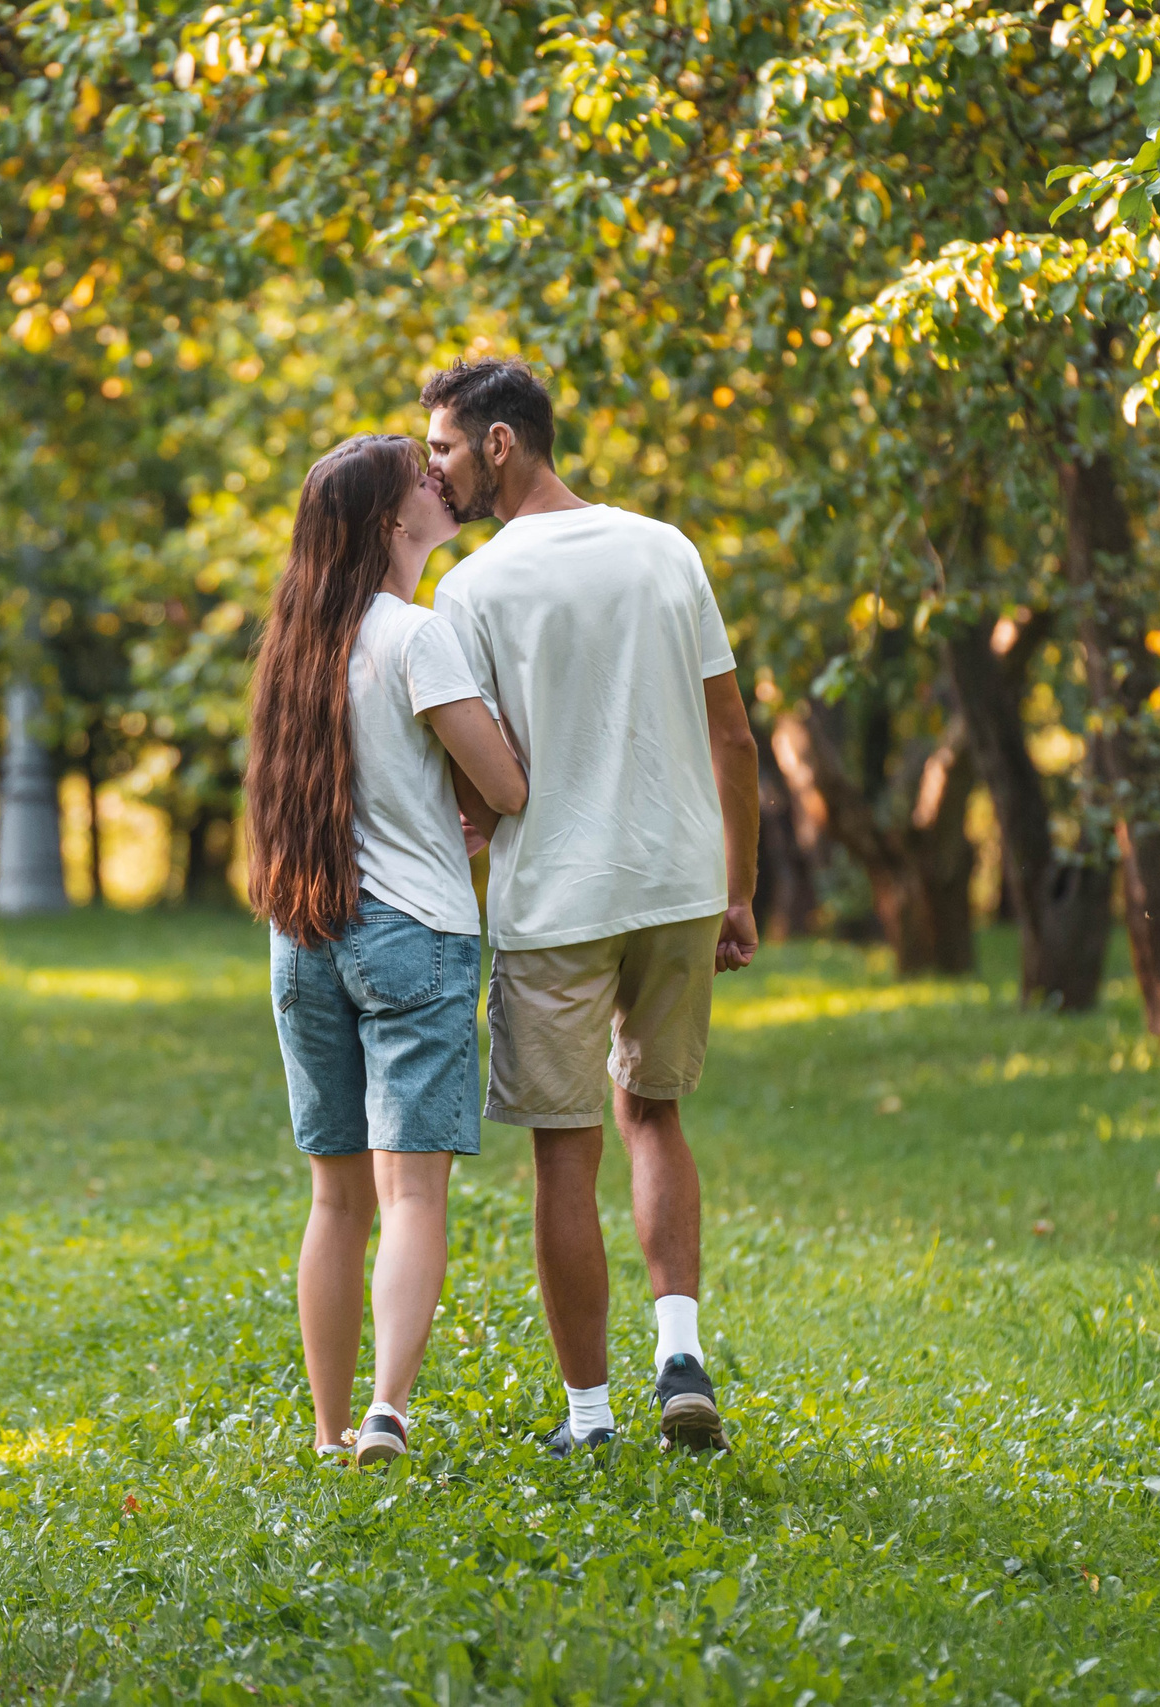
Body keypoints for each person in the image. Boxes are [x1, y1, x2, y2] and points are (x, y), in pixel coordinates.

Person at [423, 357, 762, 1456]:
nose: (436, 472)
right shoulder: (665, 548)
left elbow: (485, 773)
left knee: (564, 1151)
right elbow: (734, 737)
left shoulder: (471, 589)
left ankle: (589, 1417)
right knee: (654, 1114)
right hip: (678, 884)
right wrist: (739, 889)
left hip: (556, 898)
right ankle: (680, 1356)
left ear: (500, 443)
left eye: (442, 449)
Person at [244, 434, 529, 1467]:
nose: (438, 481)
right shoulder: (416, 636)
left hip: (303, 937)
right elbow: (502, 784)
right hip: (414, 936)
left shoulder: (292, 646)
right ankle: (387, 1411)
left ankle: (327, 1434)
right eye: (420, 477)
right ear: (389, 523)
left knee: (334, 1199)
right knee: (411, 1195)